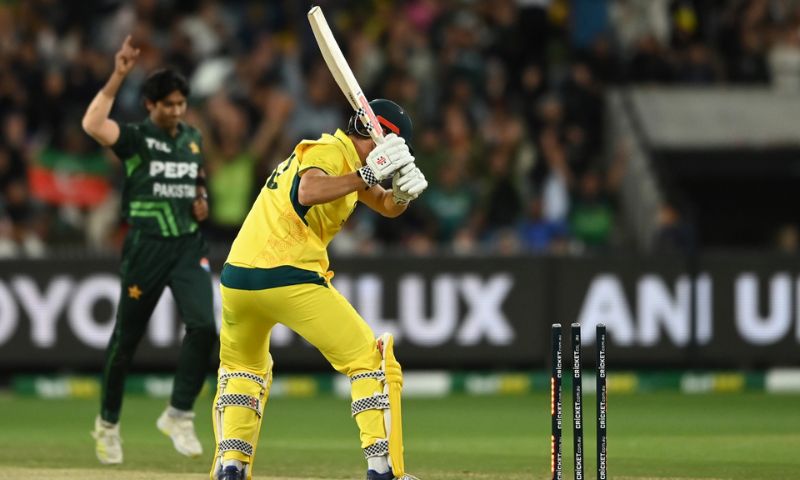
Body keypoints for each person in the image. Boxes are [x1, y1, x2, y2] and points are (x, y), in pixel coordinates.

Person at [210, 99, 428, 480]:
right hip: (287, 274)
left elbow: (383, 203)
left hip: (238, 278)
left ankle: (232, 468)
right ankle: (383, 470)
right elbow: (308, 190)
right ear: (382, 136)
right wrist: (367, 174)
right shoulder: (328, 150)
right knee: (369, 359)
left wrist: (402, 196)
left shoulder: (346, 162)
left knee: (243, 369)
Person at [81, 36, 217, 464]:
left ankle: (178, 414)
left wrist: (202, 205)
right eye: (168, 104)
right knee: (126, 342)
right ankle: (107, 424)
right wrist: (119, 74)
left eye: (181, 104)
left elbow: (197, 191)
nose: (176, 111)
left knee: (204, 328)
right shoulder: (136, 138)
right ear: (150, 105)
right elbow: (92, 124)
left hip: (187, 246)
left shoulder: (193, 140)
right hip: (146, 247)